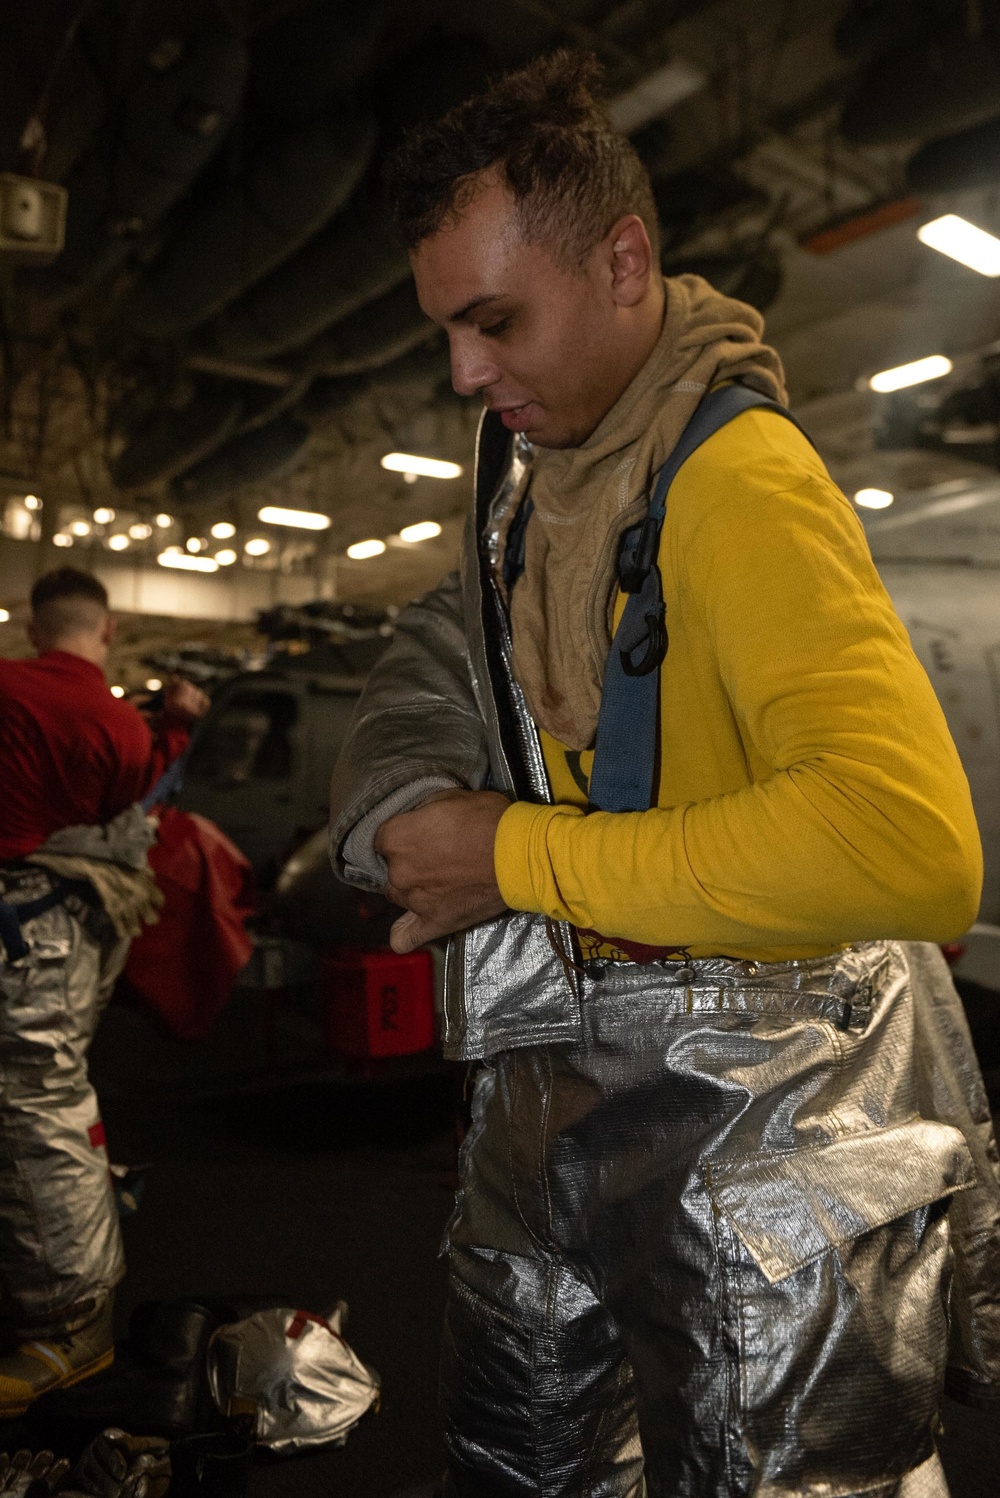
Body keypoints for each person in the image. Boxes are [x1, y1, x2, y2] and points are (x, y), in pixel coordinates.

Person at [330, 53, 1000, 1498]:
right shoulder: (551, 490)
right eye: (447, 327)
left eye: (495, 321)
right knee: (528, 1454)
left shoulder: (738, 482)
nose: (463, 370)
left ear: (624, 262)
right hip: (568, 1096)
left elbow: (912, 848)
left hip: (767, 1130)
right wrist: (410, 794)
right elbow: (450, 638)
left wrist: (509, 853)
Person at [0, 566, 208, 1415]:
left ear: (28, 623)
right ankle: (76, 1218)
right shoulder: (122, 724)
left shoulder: (9, 689)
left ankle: (71, 1326)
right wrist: (178, 726)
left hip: (20, 931)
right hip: (79, 933)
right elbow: (138, 809)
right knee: (49, 1102)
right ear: (108, 631)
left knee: (37, 1107)